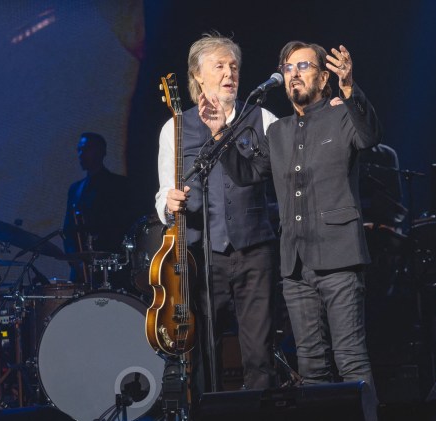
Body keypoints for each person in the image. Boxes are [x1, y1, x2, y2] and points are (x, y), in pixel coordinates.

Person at [209, 40, 383, 419]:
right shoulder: (280, 132)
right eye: (288, 68)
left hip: (340, 257)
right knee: (311, 366)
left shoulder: (342, 115)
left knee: (350, 360)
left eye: (303, 67)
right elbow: (246, 174)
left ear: (324, 77)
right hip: (296, 268)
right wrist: (220, 131)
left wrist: (350, 88)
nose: (294, 75)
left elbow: (369, 136)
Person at [154, 31, 279, 401]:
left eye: (234, 66)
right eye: (219, 66)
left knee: (259, 351)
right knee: (204, 350)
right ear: (198, 75)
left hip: (255, 249)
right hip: (202, 257)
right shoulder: (175, 127)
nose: (229, 73)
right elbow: (164, 192)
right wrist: (168, 203)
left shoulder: (262, 116)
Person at [62, 132, 139, 292]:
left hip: (111, 268)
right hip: (82, 270)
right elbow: (68, 229)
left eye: (86, 149)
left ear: (101, 152)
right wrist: (74, 260)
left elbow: (124, 225)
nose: (81, 154)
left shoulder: (119, 185)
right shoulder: (75, 189)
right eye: (79, 150)